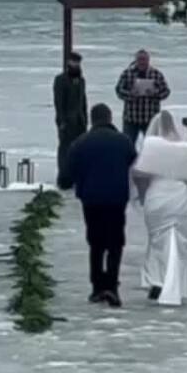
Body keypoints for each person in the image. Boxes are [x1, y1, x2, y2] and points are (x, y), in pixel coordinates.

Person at [59, 103, 137, 308]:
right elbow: (133, 162)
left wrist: (79, 182)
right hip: (116, 199)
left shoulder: (80, 143)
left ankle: (97, 287)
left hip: (91, 200)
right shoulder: (124, 141)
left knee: (96, 243)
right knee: (115, 242)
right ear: (110, 118)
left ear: (92, 120)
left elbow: (65, 176)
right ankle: (112, 285)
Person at [131, 111, 187, 305]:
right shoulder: (186, 148)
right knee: (178, 241)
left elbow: (139, 173)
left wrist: (142, 194)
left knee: (156, 240)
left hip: (156, 196)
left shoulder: (151, 145)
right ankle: (176, 284)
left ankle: (157, 280)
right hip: (178, 197)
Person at [115, 49, 170, 143]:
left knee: (152, 146)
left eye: (144, 59)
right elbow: (118, 91)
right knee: (127, 145)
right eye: (140, 59)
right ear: (135, 60)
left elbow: (166, 92)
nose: (142, 62)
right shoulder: (127, 73)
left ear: (148, 60)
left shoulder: (156, 74)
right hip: (131, 118)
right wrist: (130, 94)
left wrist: (155, 94)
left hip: (150, 118)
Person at [54, 51, 88, 184]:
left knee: (80, 149)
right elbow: (59, 101)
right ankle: (64, 177)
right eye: (73, 62)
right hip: (66, 121)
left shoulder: (81, 80)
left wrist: (85, 118)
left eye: (78, 62)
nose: (76, 64)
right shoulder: (61, 80)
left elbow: (83, 101)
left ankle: (77, 176)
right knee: (65, 149)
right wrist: (61, 121)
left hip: (80, 121)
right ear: (68, 63)